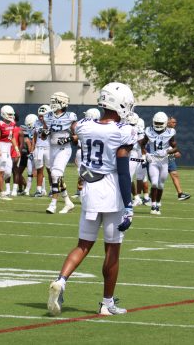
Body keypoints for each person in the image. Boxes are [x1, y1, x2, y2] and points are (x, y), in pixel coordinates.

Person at [47, 82, 136, 317]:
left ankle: (61, 281)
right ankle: (107, 303)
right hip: (112, 191)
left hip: (89, 189)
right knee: (112, 250)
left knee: (83, 245)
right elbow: (124, 171)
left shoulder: (84, 125)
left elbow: (77, 134)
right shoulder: (122, 131)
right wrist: (128, 205)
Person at [41, 92, 77, 214]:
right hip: (52, 148)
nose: (52, 104)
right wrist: (44, 133)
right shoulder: (48, 116)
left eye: (54, 101)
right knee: (56, 176)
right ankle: (67, 202)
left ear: (62, 102)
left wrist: (68, 139)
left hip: (64, 149)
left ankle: (53, 204)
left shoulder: (70, 116)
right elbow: (43, 136)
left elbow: (77, 135)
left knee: (55, 174)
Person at [140, 111, 177, 215]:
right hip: (153, 160)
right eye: (157, 123)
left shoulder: (170, 132)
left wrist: (167, 151)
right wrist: (145, 154)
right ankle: (153, 206)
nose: (158, 125)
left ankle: (158, 202)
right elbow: (142, 144)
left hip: (164, 160)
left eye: (161, 123)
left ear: (165, 123)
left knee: (161, 185)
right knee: (155, 183)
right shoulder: (148, 130)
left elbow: (175, 148)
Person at [127, 113, 150, 207]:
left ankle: (137, 197)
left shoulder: (136, 129)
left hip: (135, 154)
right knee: (141, 177)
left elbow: (142, 144)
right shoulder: (135, 129)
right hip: (136, 153)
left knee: (129, 176)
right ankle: (143, 197)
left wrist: (144, 156)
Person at [0, 105, 18, 199]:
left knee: (8, 172)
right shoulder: (0, 124)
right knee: (1, 172)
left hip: (8, 149)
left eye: (12, 114)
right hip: (1, 147)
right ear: (4, 114)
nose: (11, 116)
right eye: (9, 114)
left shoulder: (12, 124)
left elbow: (12, 137)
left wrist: (16, 148)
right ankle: (2, 193)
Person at [166, 116, 191, 201]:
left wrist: (174, 151)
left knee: (174, 174)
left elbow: (172, 143)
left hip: (169, 156)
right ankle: (151, 194)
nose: (175, 124)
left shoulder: (172, 131)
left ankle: (180, 194)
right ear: (167, 122)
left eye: (175, 122)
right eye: (173, 122)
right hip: (160, 157)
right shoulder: (160, 130)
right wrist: (173, 151)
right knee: (158, 178)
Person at [32, 105, 52, 197]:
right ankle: (39, 190)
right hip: (39, 148)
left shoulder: (51, 123)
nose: (40, 117)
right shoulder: (36, 122)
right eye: (39, 115)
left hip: (49, 148)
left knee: (50, 170)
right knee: (39, 170)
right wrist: (33, 148)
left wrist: (46, 122)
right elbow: (35, 136)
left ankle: (53, 189)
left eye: (43, 115)